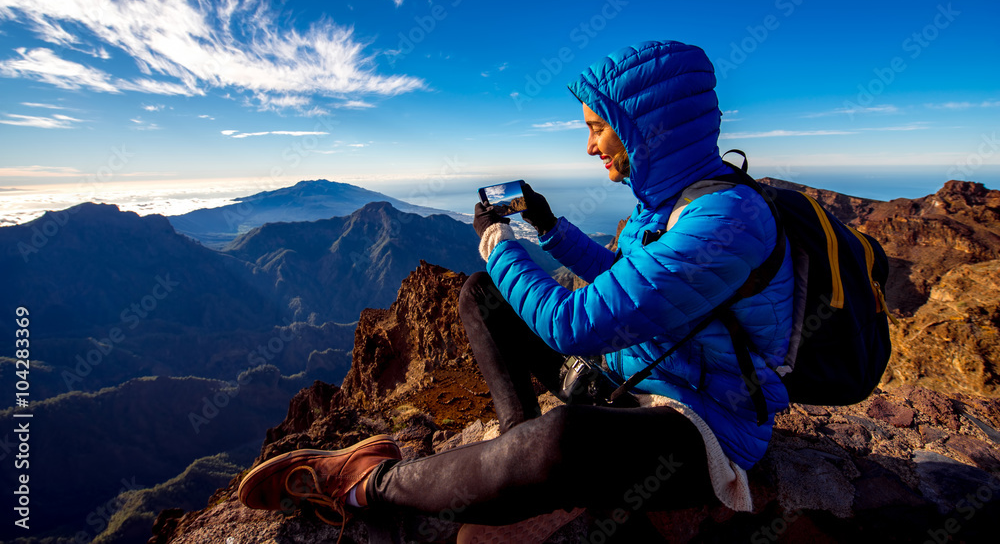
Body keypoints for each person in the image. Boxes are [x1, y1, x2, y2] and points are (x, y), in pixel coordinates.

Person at [237, 40, 794, 542]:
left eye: (596, 127)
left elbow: (574, 324)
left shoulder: (724, 221)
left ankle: (366, 483)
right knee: (482, 295)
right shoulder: (681, 202)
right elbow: (630, 283)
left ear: (642, 127)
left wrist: (498, 241)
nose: (589, 147)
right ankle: (515, 451)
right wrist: (550, 227)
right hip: (636, 376)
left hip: (703, 428)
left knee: (564, 440)